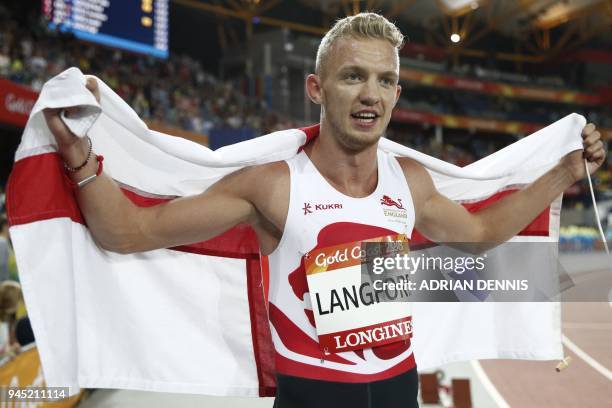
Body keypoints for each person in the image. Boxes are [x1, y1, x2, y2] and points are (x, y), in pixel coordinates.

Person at [42, 13, 604, 408]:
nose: (371, 94)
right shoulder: (274, 186)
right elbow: (127, 231)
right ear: (317, 88)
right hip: (310, 393)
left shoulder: (410, 181)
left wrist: (563, 173)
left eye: (386, 80)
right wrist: (79, 156)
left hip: (396, 389)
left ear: (397, 96)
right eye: (353, 76)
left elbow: (481, 233)